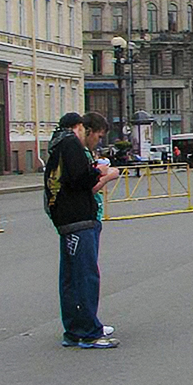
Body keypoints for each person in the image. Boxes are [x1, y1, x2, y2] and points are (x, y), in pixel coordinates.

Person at [44, 112, 121, 349]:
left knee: (70, 278)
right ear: (82, 128)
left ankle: (74, 329)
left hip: (66, 219)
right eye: (97, 136)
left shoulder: (57, 145)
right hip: (79, 218)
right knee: (85, 276)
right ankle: (89, 331)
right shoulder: (71, 144)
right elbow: (81, 181)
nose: (97, 141)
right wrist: (101, 173)